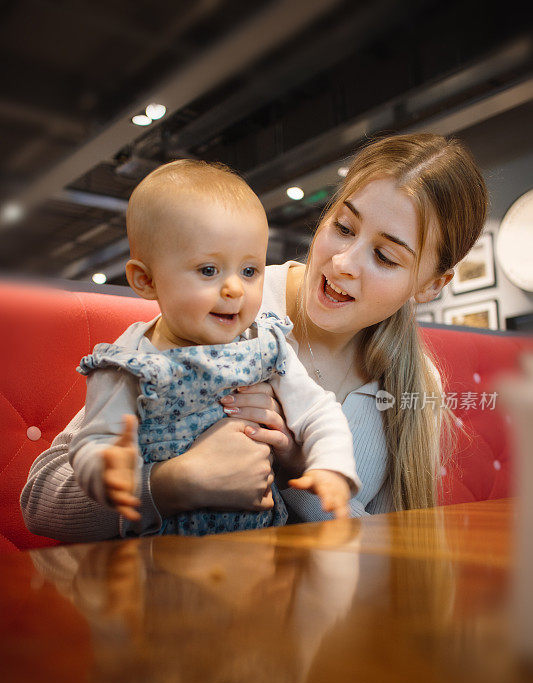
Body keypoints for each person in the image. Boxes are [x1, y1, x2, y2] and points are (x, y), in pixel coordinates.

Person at [21, 133, 488, 542]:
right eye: (342, 227)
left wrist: (298, 472)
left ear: (431, 285)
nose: (344, 261)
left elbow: (388, 548)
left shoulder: (415, 380)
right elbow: (43, 499)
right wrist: (171, 484)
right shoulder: (224, 308)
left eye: (385, 256)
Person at [66, 160, 358, 536]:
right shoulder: (129, 364)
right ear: (146, 280)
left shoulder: (265, 346)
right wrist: (111, 474)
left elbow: (319, 411)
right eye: (208, 270)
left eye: (250, 271)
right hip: (160, 561)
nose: (235, 289)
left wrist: (330, 466)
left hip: (257, 548)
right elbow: (94, 442)